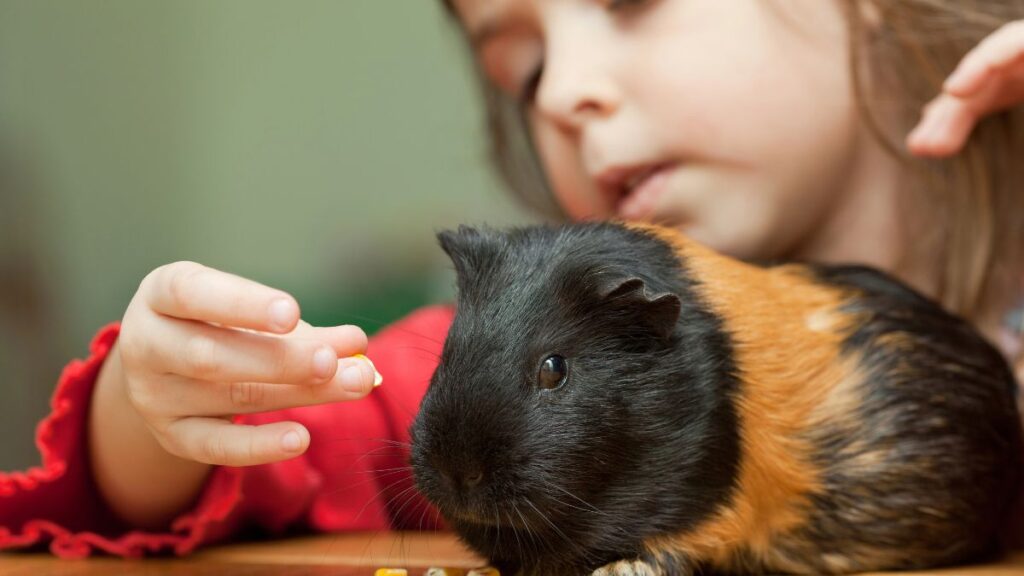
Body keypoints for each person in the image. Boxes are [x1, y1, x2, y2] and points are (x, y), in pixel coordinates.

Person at [2, 0, 1023, 559]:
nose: (567, 93)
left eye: (629, 0)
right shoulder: (483, 344)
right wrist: (151, 411)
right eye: (522, 73)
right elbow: (269, 459)